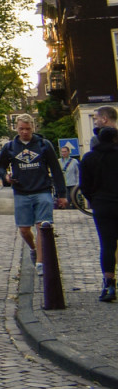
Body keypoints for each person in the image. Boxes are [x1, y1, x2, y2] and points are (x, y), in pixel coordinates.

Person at [0, 113, 67, 275]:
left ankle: (41, 263)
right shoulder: (10, 147)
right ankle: (34, 249)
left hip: (42, 191)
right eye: (21, 129)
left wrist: (62, 194)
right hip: (21, 192)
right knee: (24, 230)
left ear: (33, 128)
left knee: (43, 227)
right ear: (16, 128)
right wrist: (5, 176)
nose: (25, 132)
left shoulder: (44, 145)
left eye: (28, 129)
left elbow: (56, 170)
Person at [79, 126, 118, 302]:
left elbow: (84, 186)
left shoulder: (89, 158)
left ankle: (109, 284)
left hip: (102, 205)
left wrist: (94, 200)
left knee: (107, 244)